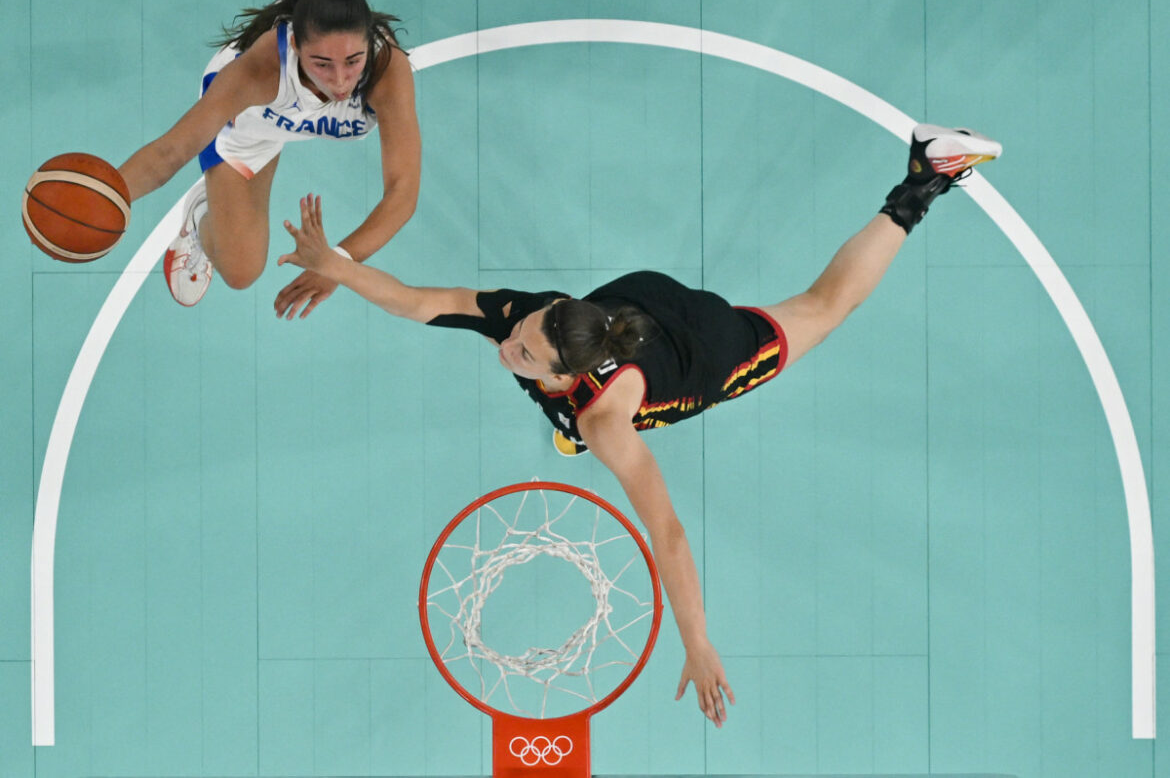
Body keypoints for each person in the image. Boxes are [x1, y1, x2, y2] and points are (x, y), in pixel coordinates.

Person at [277, 123, 1002, 726]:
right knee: (523, 345)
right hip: (632, 302)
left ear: (562, 372)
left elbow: (669, 533)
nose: (507, 346)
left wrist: (698, 641)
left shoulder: (606, 424)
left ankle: (924, 180)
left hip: (700, 345)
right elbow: (417, 302)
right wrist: (331, 265)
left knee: (824, 306)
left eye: (524, 352)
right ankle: (921, 181)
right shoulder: (535, 314)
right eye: (519, 332)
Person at [116, 0, 420, 313]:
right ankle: (203, 218)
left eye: (353, 60)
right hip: (250, 124)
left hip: (287, 117)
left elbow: (403, 191)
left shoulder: (384, 70)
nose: (341, 80)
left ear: (368, 43)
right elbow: (171, 152)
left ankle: (224, 206)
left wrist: (339, 264)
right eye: (323, 64)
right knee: (241, 272)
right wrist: (107, 195)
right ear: (295, 44)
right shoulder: (258, 72)